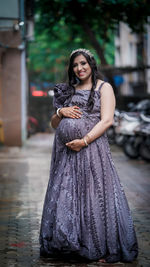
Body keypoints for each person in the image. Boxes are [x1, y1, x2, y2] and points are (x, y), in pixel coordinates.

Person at [39, 48, 138, 263]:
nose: (79, 68)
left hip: (92, 150)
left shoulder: (104, 88)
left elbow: (106, 121)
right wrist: (59, 112)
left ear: (91, 64)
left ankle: (99, 246)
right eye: (75, 65)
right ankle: (70, 243)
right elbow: (54, 124)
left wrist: (83, 141)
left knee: (94, 196)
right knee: (67, 196)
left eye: (83, 63)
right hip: (66, 154)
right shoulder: (69, 90)